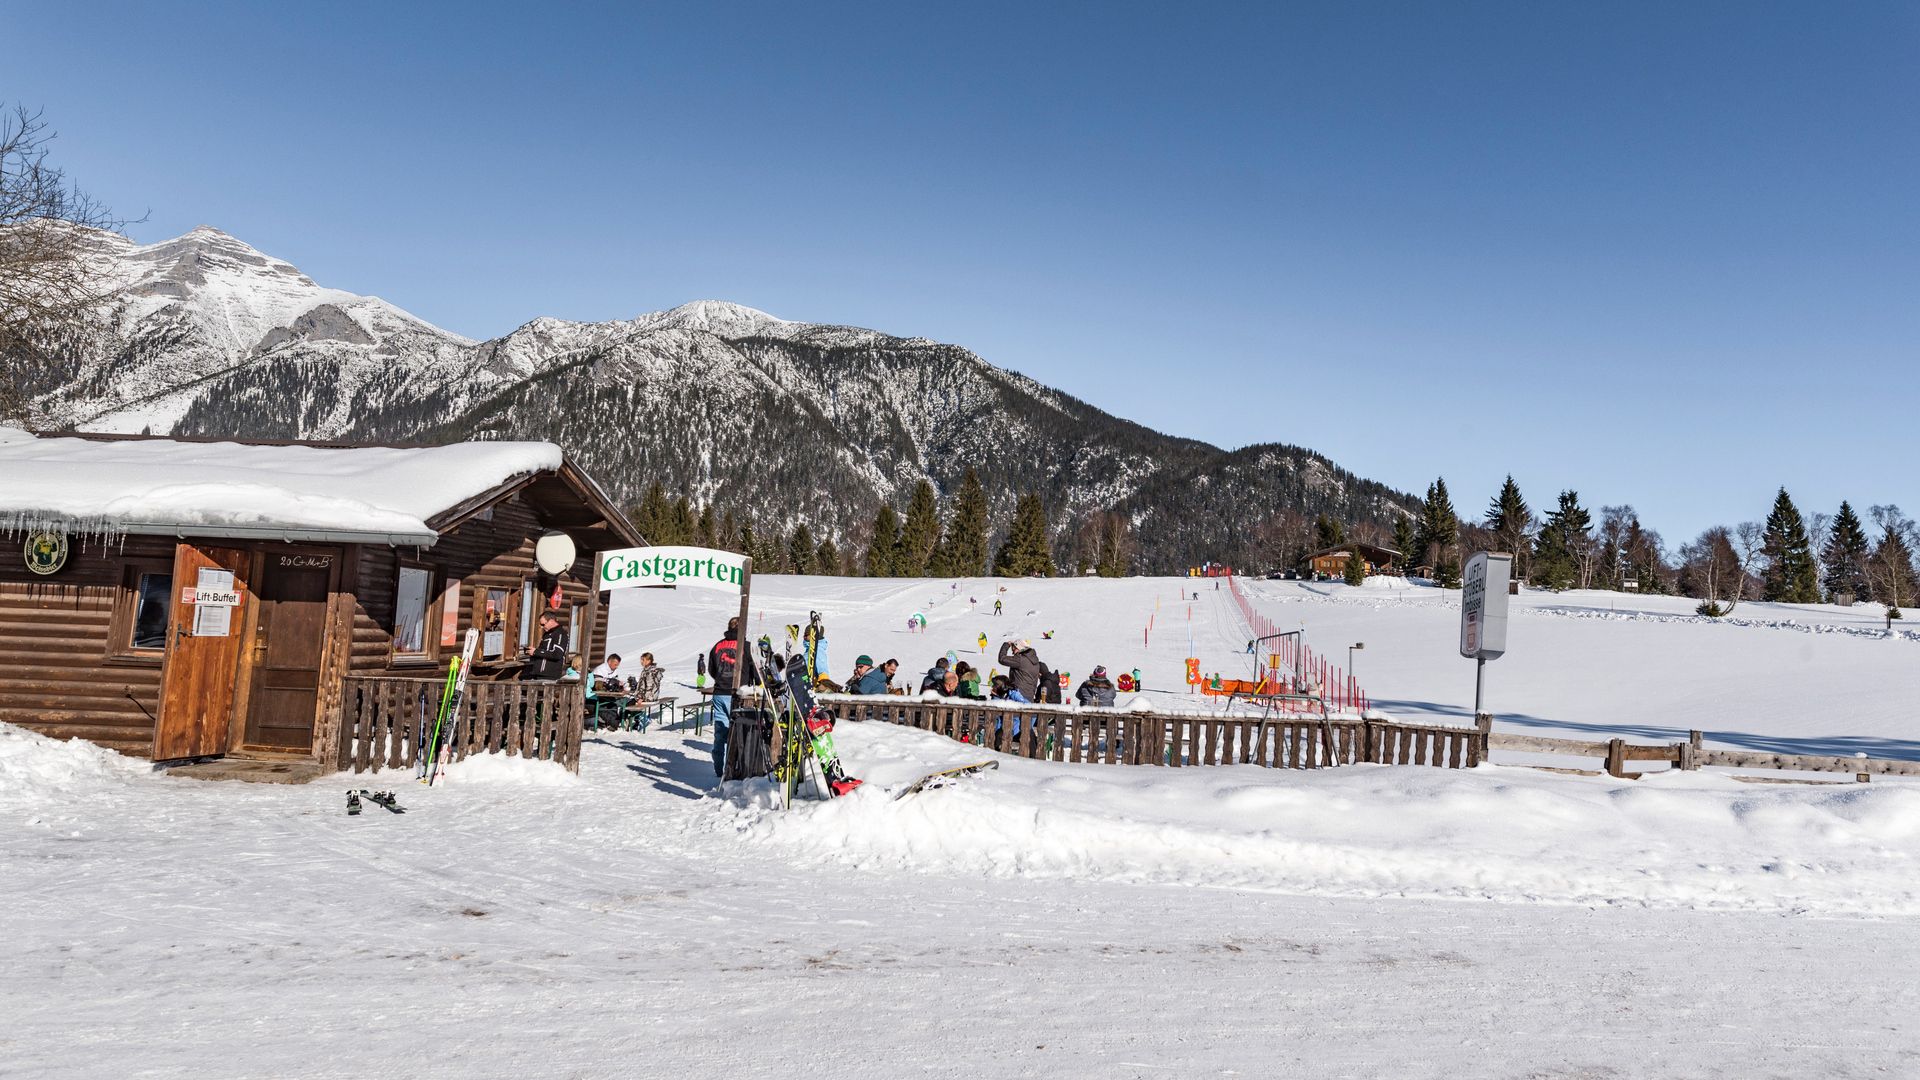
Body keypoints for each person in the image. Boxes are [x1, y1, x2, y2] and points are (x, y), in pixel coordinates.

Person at [707, 617, 755, 779]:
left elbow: (711, 669)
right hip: (737, 694)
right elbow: (755, 670)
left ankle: (718, 768)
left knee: (720, 731)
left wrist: (721, 679)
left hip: (720, 692)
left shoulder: (717, 646)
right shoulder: (746, 647)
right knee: (737, 732)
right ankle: (732, 768)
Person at [521, 611, 568, 680]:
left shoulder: (560, 633)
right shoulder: (547, 634)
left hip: (549, 676)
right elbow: (544, 652)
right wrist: (533, 651)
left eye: (543, 624)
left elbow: (557, 654)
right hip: (538, 673)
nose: (542, 627)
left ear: (551, 621)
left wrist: (536, 651)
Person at [998, 638, 1043, 703]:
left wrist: (1006, 645)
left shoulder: (1020, 660)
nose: (1013, 652)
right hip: (1029, 697)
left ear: (1018, 648)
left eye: (1013, 649)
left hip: (1018, 697)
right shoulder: (1035, 662)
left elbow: (1002, 659)